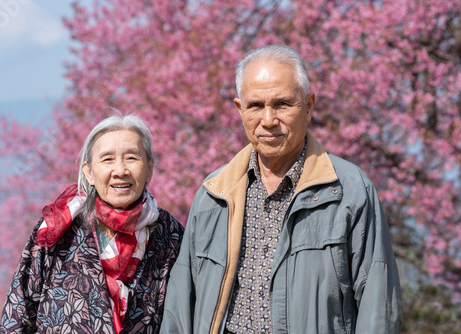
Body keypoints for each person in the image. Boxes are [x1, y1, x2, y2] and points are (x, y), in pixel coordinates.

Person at [160, 44, 403, 333]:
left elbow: (378, 307)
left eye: (282, 104)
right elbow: (180, 307)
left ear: (309, 106)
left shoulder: (350, 190)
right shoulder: (213, 195)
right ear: (240, 110)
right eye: (255, 106)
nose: (268, 120)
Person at [0, 114, 184, 334]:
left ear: (149, 169)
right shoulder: (59, 228)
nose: (120, 170)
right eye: (107, 160)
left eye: (132, 158)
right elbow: (18, 312)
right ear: (89, 172)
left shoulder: (168, 231)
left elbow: (185, 313)